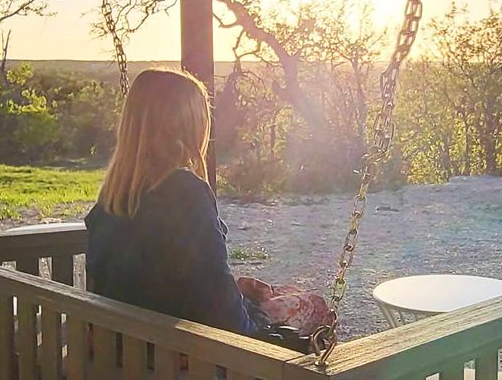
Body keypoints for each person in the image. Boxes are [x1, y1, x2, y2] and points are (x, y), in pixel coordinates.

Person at [85, 68, 328, 343]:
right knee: (314, 305)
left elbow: (153, 280)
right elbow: (221, 312)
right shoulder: (186, 192)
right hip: (174, 351)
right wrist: (266, 335)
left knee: (278, 292)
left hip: (117, 343)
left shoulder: (113, 195)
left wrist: (239, 291)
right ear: (190, 126)